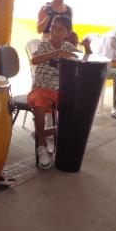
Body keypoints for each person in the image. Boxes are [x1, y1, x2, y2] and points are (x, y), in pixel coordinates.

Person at [28, 16, 76, 169]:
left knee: (75, 115)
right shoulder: (44, 45)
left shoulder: (69, 47)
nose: (54, 31)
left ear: (67, 33)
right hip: (41, 88)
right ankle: (41, 146)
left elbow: (82, 59)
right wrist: (55, 53)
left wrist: (82, 50)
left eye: (60, 29)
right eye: (53, 27)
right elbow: (34, 60)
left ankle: (41, 133)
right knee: (40, 105)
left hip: (60, 91)